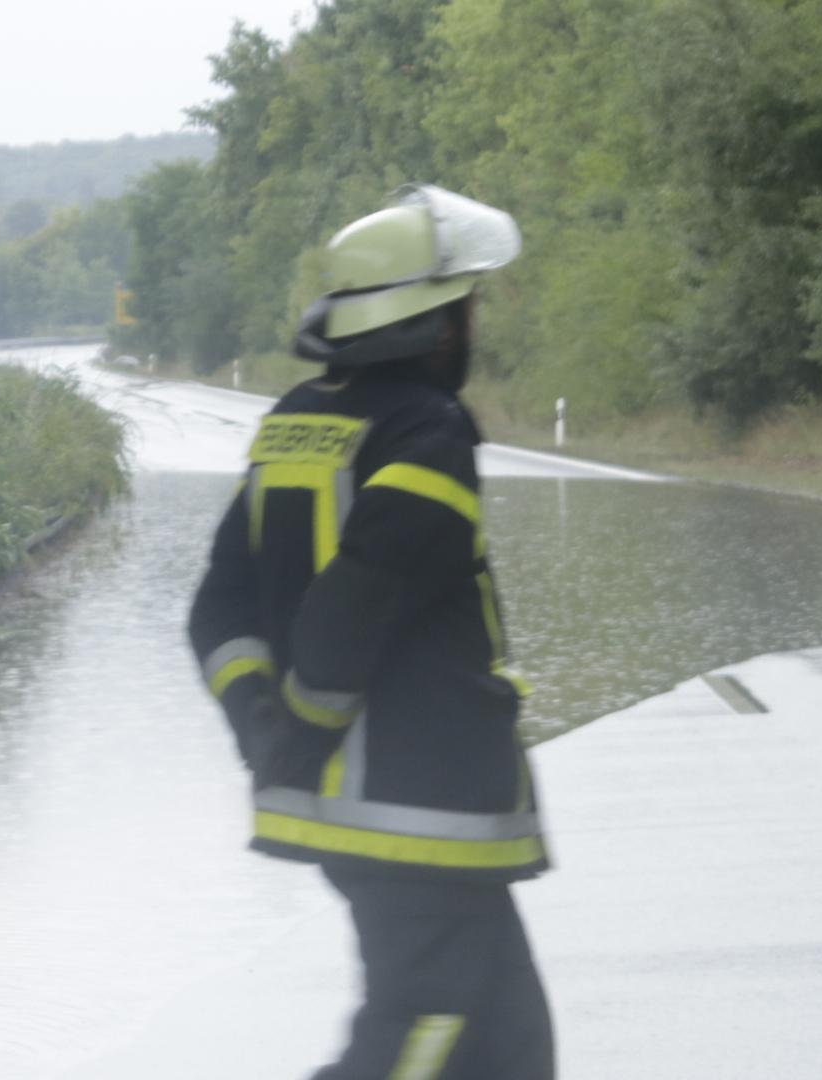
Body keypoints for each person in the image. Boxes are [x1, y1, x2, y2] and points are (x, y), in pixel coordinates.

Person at [189, 184, 555, 1080]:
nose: (471, 326)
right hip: (412, 805)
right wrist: (305, 733)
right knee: (429, 1028)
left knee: (508, 1043)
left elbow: (217, 609)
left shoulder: (296, 423)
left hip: (362, 807)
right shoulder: (425, 430)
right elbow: (360, 598)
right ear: (435, 324)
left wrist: (264, 730)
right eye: (465, 306)